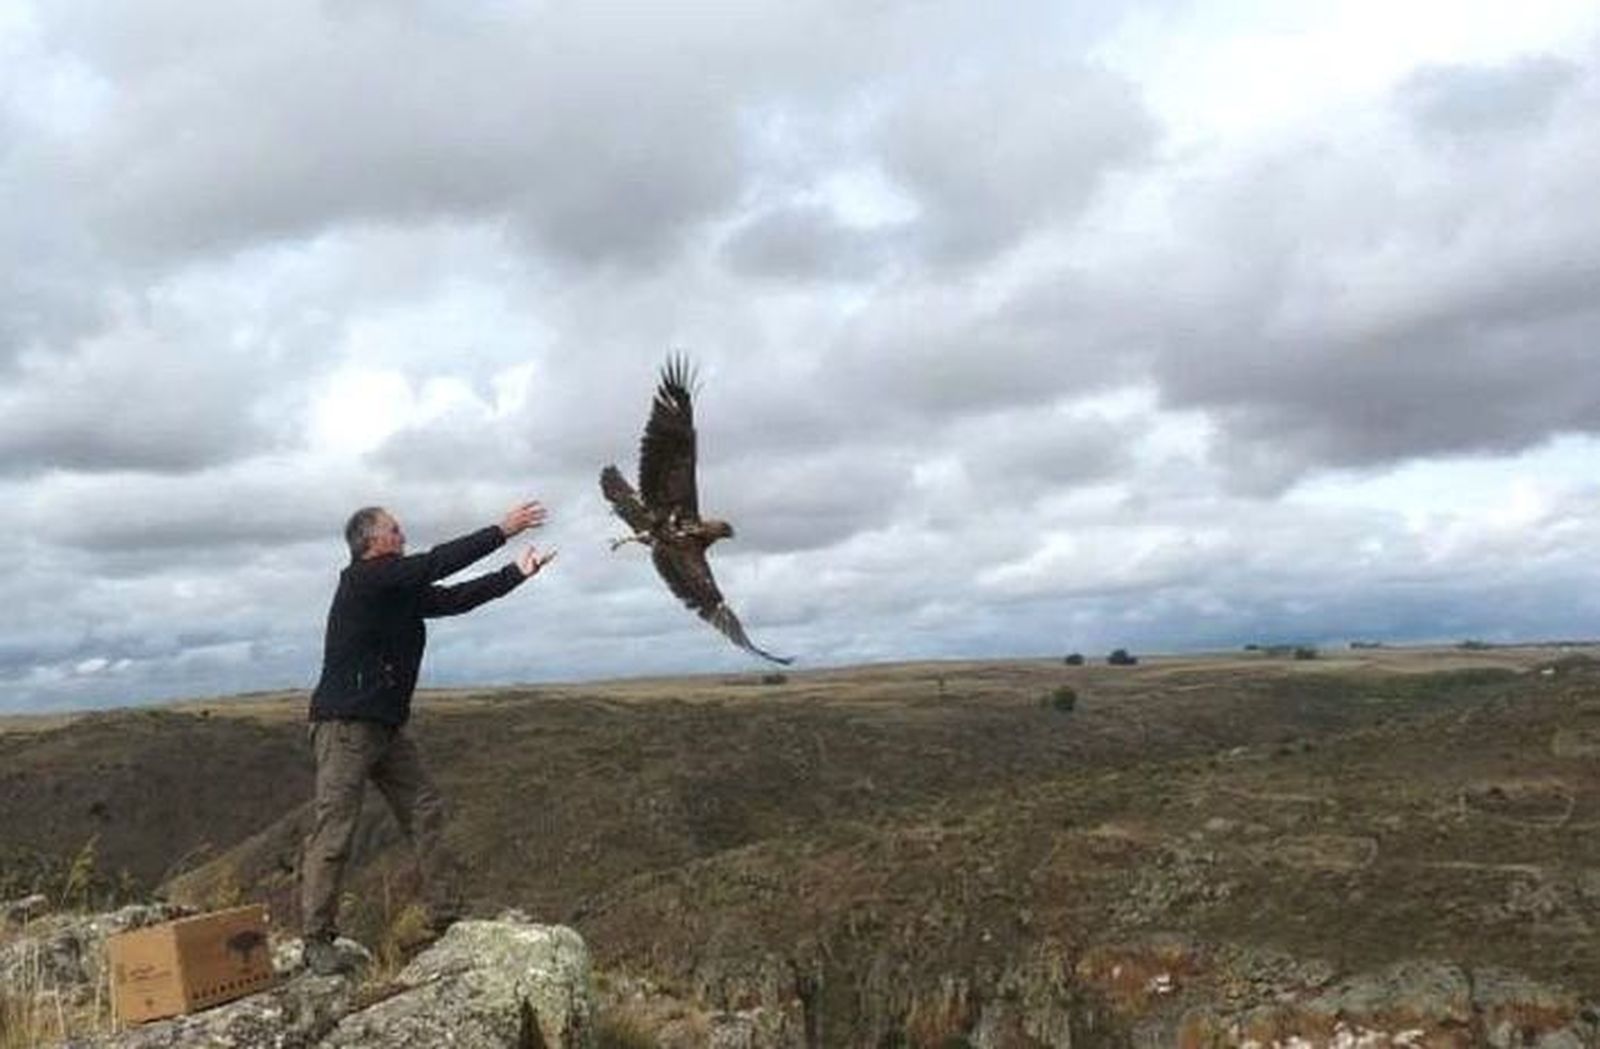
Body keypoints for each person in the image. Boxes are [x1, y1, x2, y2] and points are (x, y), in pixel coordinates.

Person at [300, 500, 554, 976]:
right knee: (334, 833)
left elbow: (455, 598)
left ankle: (446, 914)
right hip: (346, 727)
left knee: (425, 810)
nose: (403, 535)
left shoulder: (396, 590)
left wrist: (516, 574)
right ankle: (316, 939)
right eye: (395, 530)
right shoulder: (367, 580)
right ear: (371, 542)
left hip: (386, 728)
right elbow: (438, 562)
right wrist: (502, 530)